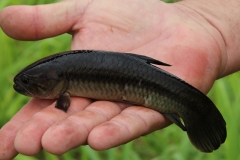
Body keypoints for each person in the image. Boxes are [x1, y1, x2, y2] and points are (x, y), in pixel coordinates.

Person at [0, 0, 240, 159]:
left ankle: (194, 110)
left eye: (31, 82)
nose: (25, 86)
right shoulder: (63, 74)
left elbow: (63, 105)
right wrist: (212, 22)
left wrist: (212, 25)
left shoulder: (64, 78)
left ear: (59, 78)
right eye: (28, 83)